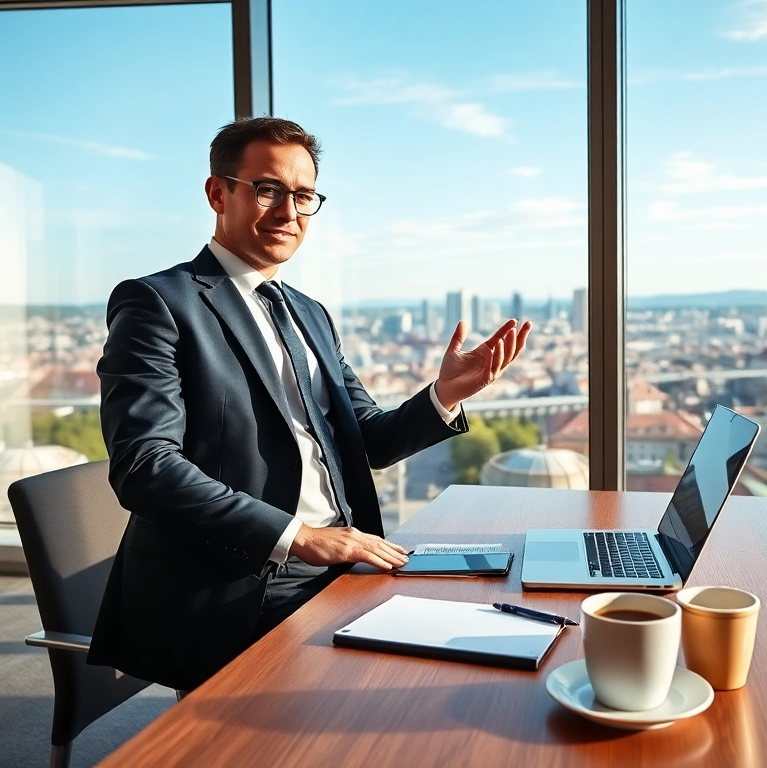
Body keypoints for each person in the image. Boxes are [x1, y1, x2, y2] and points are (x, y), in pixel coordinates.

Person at [87, 117, 531, 691]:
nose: (288, 211)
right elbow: (145, 467)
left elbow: (368, 439)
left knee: (483, 651)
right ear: (217, 192)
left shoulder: (309, 312)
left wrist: (445, 395)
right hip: (243, 580)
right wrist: (299, 536)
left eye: (302, 196)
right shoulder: (158, 303)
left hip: (342, 562)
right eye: (268, 189)